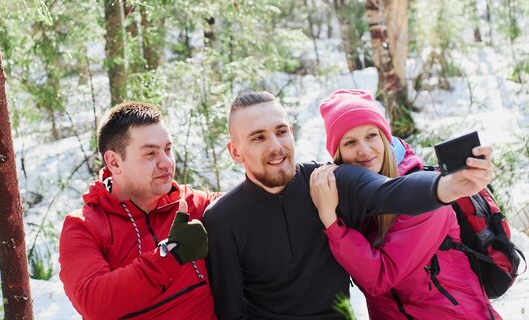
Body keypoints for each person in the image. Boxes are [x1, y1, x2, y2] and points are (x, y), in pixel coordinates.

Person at [203, 91, 496, 320]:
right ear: (235, 151)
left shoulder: (327, 182)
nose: (276, 146)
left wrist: (445, 186)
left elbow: (387, 191)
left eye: (281, 131)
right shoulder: (223, 219)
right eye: (258, 137)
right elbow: (232, 312)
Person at [310, 89, 501, 320]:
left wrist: (331, 221)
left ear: (385, 139)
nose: (364, 150)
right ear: (338, 154)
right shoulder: (348, 198)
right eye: (350, 142)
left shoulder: (424, 198)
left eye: (371, 135)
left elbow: (379, 277)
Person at [58, 101, 220, 320]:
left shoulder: (192, 203)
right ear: (114, 162)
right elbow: (94, 304)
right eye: (150, 153)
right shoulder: (84, 226)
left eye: (168, 149)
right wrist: (170, 254)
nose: (167, 163)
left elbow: (249, 206)